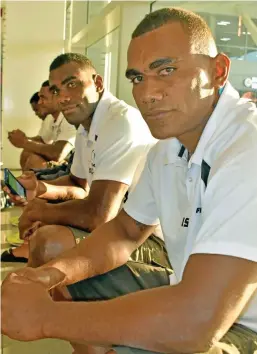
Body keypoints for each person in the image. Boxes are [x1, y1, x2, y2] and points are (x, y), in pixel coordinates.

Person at [2, 7, 257, 354]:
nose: (147, 94)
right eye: (137, 78)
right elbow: (123, 231)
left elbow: (195, 322)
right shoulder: (168, 147)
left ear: (218, 71)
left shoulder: (247, 148)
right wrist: (49, 275)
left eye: (166, 71)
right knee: (68, 271)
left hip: (241, 325)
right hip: (184, 287)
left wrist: (45, 317)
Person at [2, 53, 166, 278]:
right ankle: (42, 303)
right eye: (57, 90)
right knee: (46, 231)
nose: (63, 98)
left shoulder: (119, 122)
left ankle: (41, 306)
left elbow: (99, 215)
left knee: (49, 242)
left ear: (97, 83)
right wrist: (39, 189)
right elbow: (78, 184)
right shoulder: (86, 126)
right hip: (120, 227)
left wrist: (44, 212)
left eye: (72, 84)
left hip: (152, 240)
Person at [8, 81, 76, 171]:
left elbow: (58, 154)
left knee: (34, 161)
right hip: (63, 163)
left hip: (72, 169)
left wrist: (24, 142)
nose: (39, 102)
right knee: (27, 152)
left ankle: (31, 183)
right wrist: (21, 138)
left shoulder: (69, 118)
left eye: (43, 98)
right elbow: (42, 140)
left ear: (57, 97)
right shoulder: (50, 118)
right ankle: (25, 182)